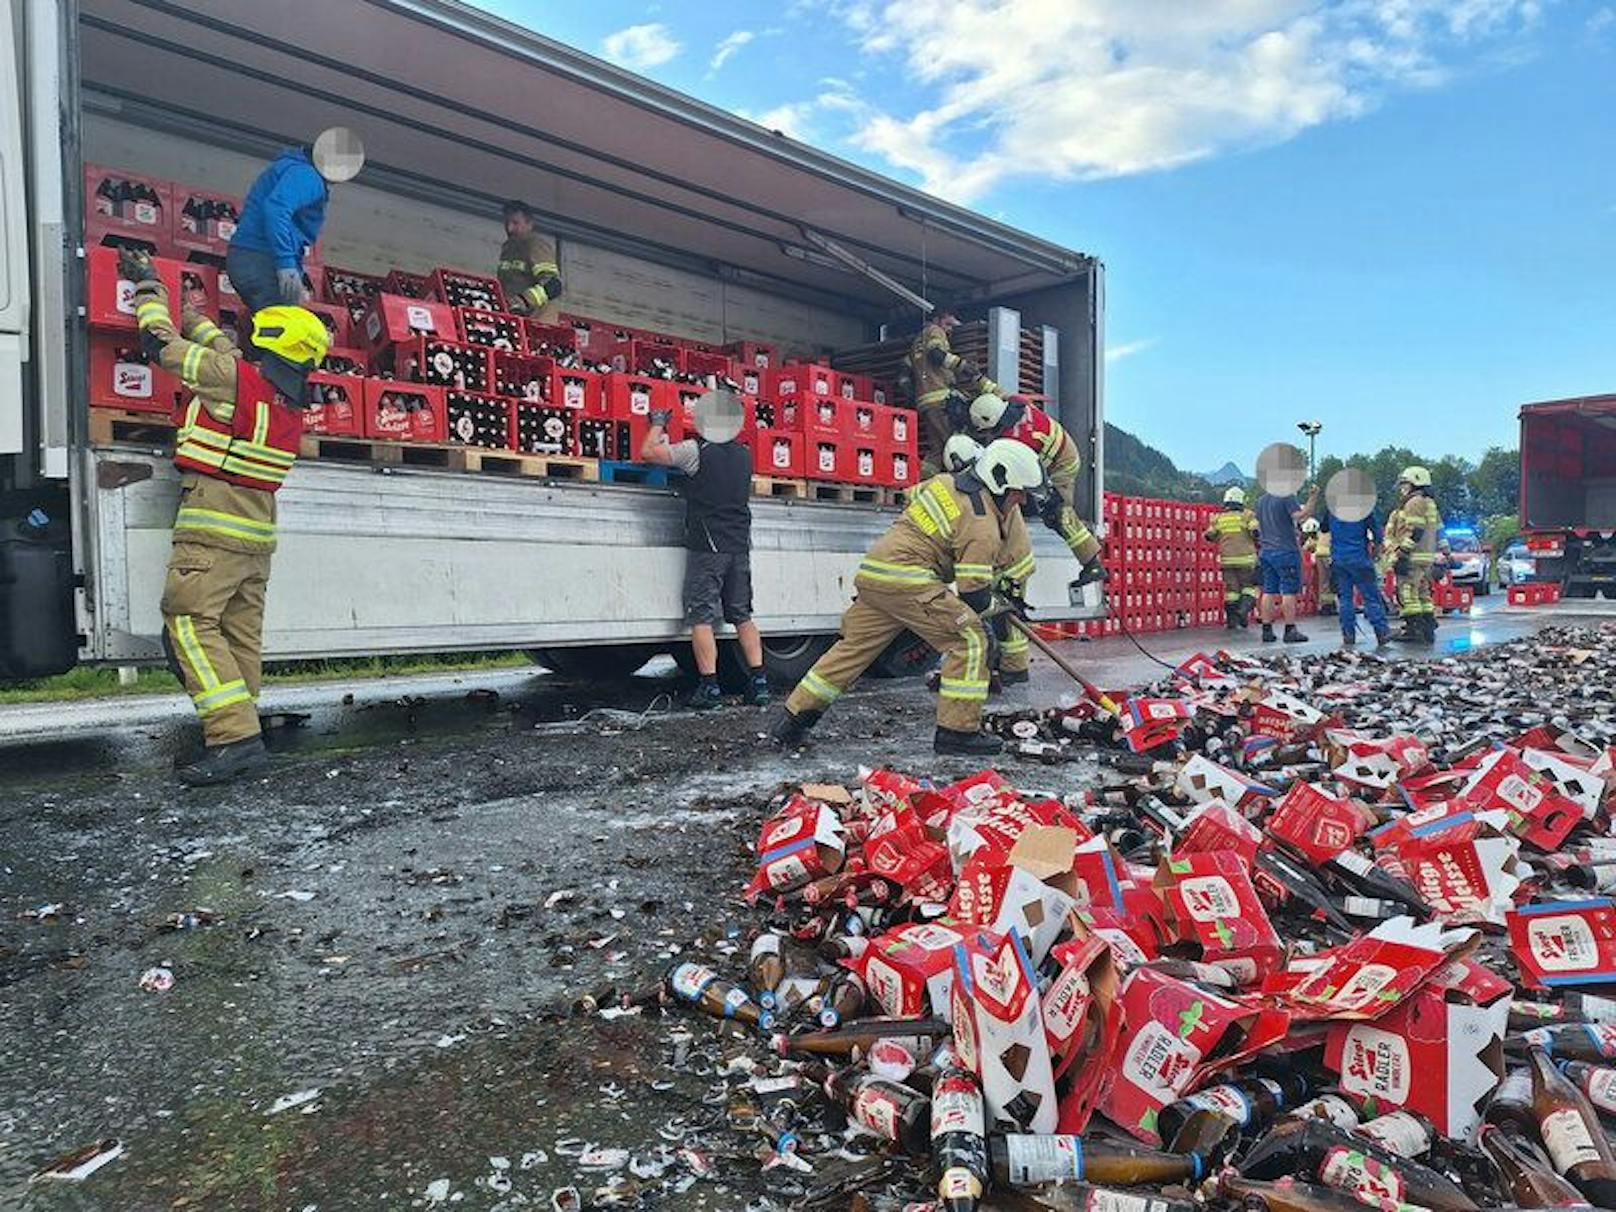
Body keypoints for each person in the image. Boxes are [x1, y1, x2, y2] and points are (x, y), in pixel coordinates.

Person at [122, 249, 328, 785]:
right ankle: (242, 730)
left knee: (189, 622)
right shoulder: (283, 401)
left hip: (213, 524)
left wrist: (149, 287)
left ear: (273, 341)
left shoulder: (233, 379)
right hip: (256, 531)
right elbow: (223, 353)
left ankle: (233, 739)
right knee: (239, 635)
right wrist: (196, 312)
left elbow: (159, 345)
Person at [771, 439, 1043, 756]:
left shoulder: (943, 483)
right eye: (1018, 492)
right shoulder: (982, 523)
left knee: (851, 652)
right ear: (998, 481)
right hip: (910, 580)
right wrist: (1000, 610)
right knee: (971, 639)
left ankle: (793, 719)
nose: (1021, 500)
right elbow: (974, 594)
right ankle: (958, 732)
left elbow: (912, 496)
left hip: (876, 574)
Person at [639, 389, 769, 709]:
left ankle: (709, 688)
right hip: (739, 545)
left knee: (702, 617)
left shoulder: (694, 451)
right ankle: (760, 683)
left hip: (708, 546)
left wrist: (657, 424)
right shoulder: (744, 455)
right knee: (742, 615)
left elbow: (649, 453)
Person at [963, 392, 1106, 591]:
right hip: (1061, 450)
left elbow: (1025, 471)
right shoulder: (1017, 403)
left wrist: (1048, 496)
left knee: (1059, 514)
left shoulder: (1017, 440)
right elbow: (992, 388)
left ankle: (1092, 564)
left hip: (1061, 465)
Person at [227, 128, 364, 314]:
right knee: (282, 332)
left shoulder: (290, 166)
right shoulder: (309, 177)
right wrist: (286, 264)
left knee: (268, 328)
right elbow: (276, 209)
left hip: (247, 256)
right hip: (263, 260)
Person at [938, 434, 1036, 684]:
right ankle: (997, 667)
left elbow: (986, 539)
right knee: (992, 615)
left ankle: (1014, 671)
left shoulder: (991, 493)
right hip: (995, 561)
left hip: (1009, 564)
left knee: (1005, 621)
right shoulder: (985, 489)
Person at [907, 310, 996, 477]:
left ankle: (922, 482)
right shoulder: (934, 330)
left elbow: (904, 373)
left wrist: (915, 393)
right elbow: (936, 355)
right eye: (947, 324)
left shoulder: (916, 343)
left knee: (937, 449)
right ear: (937, 319)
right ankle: (963, 486)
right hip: (941, 400)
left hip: (925, 402)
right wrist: (962, 365)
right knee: (957, 444)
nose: (949, 330)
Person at [1382, 466, 1445, 644]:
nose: (1402, 488)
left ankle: (1413, 629)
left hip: (1413, 557)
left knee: (1407, 593)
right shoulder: (1430, 503)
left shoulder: (1413, 503)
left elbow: (1415, 530)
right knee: (1423, 594)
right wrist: (1445, 553)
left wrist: (1402, 552)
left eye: (1405, 484)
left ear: (1415, 483)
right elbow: (1439, 530)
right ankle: (1427, 626)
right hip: (1427, 557)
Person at [1255, 481, 1318, 643]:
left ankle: (1266, 629)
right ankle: (1290, 630)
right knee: (1288, 591)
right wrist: (1313, 498)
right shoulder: (1286, 497)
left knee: (1268, 590)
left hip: (1266, 551)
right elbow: (1301, 516)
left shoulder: (1261, 501)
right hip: (1285, 550)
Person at [1329, 508, 1390, 647]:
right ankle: (1382, 632)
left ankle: (1348, 635)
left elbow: (1324, 527)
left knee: (1345, 599)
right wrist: (1376, 549)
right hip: (1359, 558)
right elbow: (1377, 533)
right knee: (1370, 597)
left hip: (1339, 559)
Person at [496, 200, 565, 322]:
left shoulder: (535, 245)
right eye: (507, 223)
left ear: (529, 224)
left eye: (515, 223)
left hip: (537, 323)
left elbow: (553, 285)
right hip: (515, 322)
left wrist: (523, 301)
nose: (509, 228)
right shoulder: (508, 249)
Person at [1205, 486, 1260, 629]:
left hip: (1226, 560)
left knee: (1231, 591)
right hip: (1246, 559)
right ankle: (1243, 611)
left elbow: (1209, 535)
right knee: (1249, 588)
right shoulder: (1248, 515)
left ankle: (1231, 621)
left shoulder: (1218, 518)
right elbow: (1255, 531)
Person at [1301, 517, 1336, 614]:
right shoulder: (1334, 529)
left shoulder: (1319, 532)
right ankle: (1328, 605)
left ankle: (1323, 605)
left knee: (1322, 580)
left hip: (1319, 555)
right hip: (1329, 555)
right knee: (1330, 581)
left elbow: (1308, 546)